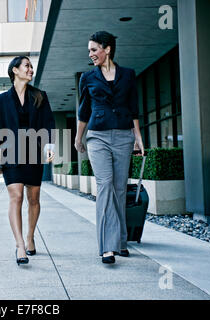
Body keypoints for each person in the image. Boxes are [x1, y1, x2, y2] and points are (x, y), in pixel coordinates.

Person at [74, 31, 144, 264]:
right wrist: (78, 137)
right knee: (105, 186)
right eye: (90, 51)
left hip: (124, 135)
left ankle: (121, 241)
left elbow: (133, 107)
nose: (91, 54)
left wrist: (138, 137)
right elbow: (84, 110)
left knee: (119, 188)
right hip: (98, 136)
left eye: (94, 50)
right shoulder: (88, 77)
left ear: (108, 49)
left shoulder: (128, 75)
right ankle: (107, 247)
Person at [0, 56, 56, 266]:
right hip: (11, 152)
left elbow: (48, 122)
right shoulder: (1, 100)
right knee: (16, 196)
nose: (31, 69)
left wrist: (49, 146)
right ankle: (20, 245)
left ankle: (30, 236)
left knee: (34, 198)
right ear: (15, 71)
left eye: (31, 66)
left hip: (34, 152)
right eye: (27, 66)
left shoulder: (40, 96)